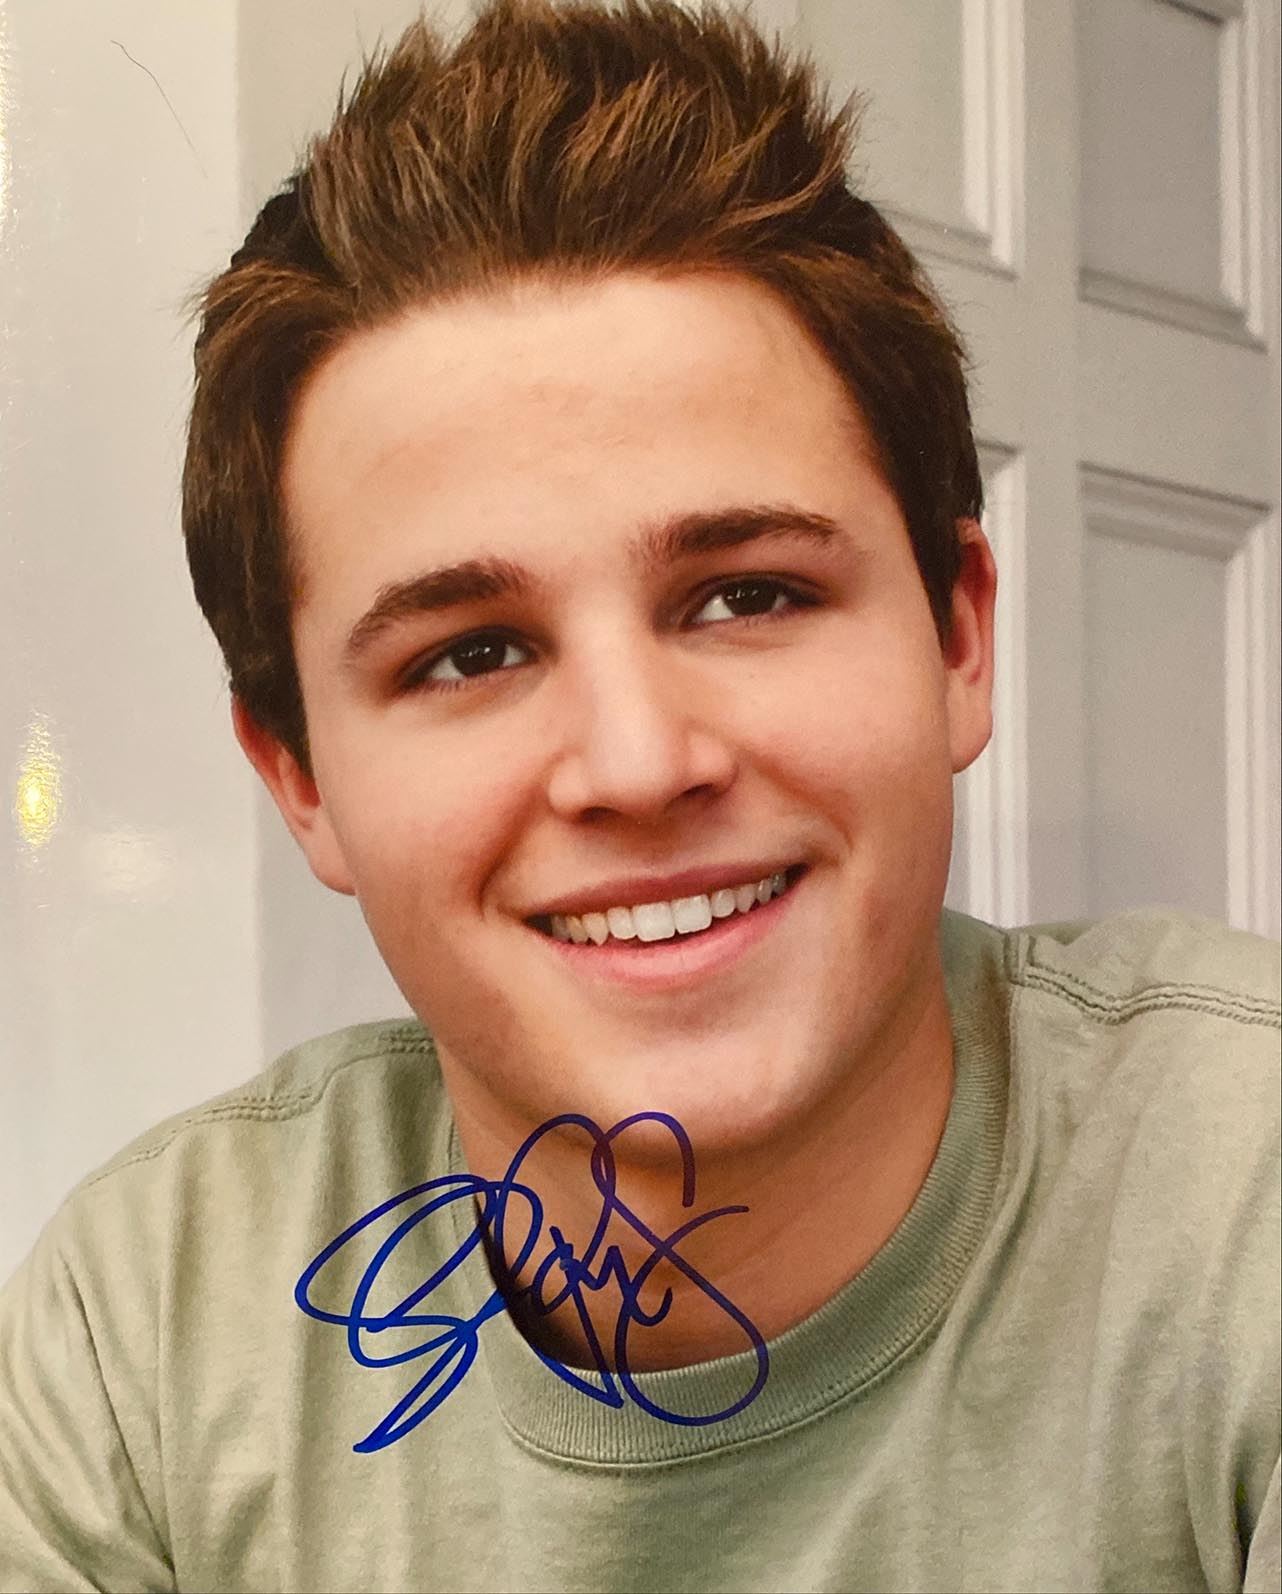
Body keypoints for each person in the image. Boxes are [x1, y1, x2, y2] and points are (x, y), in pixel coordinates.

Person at [1, 1, 1278, 1589]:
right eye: (470, 652)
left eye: (746, 594)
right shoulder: (143, 1331)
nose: (637, 761)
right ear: (300, 777)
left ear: (957, 637)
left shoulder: (1245, 1189)